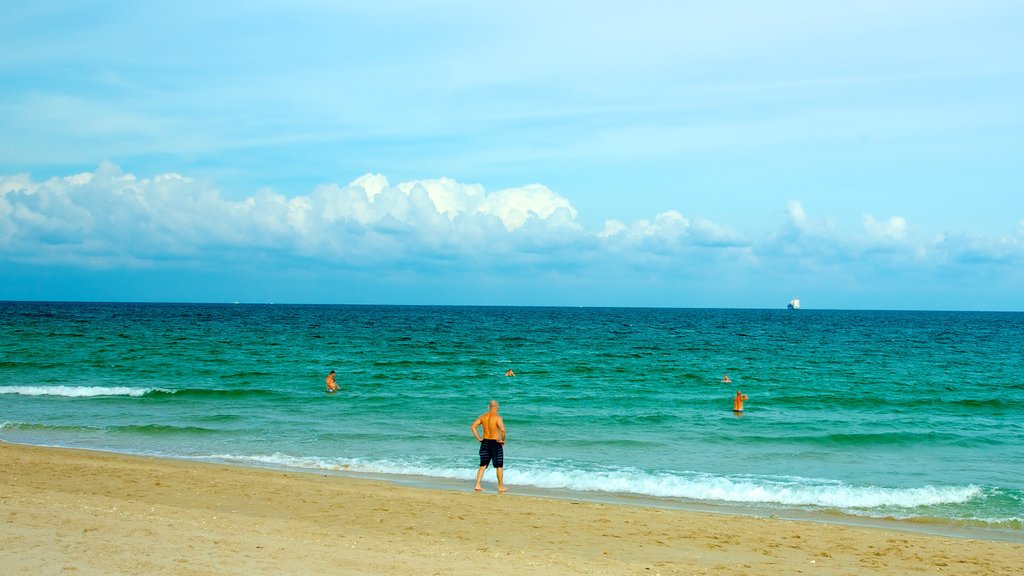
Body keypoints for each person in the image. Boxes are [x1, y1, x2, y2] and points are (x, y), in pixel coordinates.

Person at [470, 400, 507, 492]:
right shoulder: (498, 417)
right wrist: (503, 440)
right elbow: (502, 430)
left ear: (488, 407)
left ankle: (477, 485)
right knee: (499, 466)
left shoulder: (483, 417)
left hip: (485, 442)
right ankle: (500, 487)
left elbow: (473, 427)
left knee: (483, 465)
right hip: (495, 443)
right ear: (497, 407)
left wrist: (479, 438)